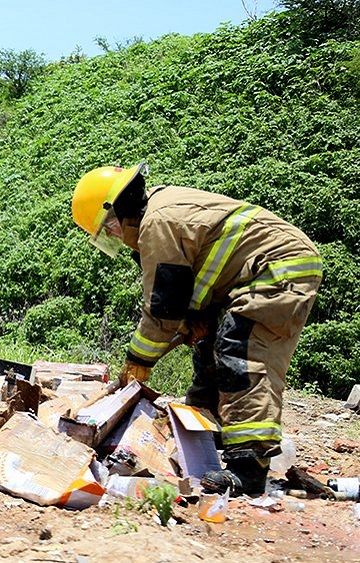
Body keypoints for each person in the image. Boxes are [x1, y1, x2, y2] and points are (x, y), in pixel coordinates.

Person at [71, 163, 323, 496]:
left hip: (278, 268)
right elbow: (194, 284)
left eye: (110, 229)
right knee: (209, 350)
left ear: (116, 214)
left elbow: (164, 309)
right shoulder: (159, 212)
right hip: (247, 275)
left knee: (240, 351)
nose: (115, 236)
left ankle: (248, 470)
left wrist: (138, 361)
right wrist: (195, 321)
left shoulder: (157, 225)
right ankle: (207, 445)